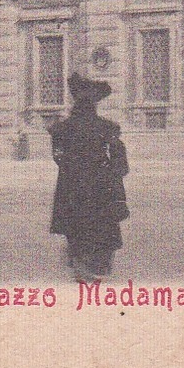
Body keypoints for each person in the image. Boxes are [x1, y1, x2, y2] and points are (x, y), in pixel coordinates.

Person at [49, 72, 130, 279]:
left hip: (71, 184)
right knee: (102, 224)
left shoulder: (61, 130)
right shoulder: (107, 128)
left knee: (75, 225)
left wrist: (72, 166)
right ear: (94, 106)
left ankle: (81, 266)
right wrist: (113, 173)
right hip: (101, 184)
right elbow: (120, 159)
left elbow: (57, 157)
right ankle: (99, 265)